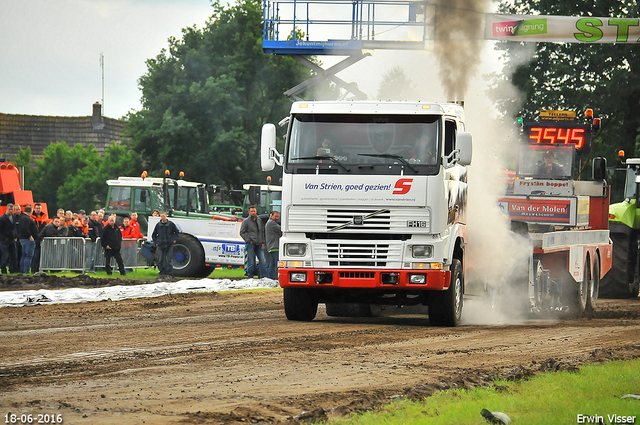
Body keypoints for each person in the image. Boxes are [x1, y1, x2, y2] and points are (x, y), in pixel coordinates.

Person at [239, 205, 266, 278]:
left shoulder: (259, 220)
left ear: (256, 211)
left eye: (254, 211)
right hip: (250, 244)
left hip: (259, 243)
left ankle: (262, 276)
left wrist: (262, 242)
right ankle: (250, 276)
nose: (253, 213)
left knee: (263, 261)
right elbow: (242, 232)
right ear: (249, 212)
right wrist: (249, 240)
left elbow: (262, 231)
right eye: (251, 211)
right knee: (250, 262)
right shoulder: (246, 221)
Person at [151, 211, 179, 277]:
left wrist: (174, 239)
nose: (162, 218)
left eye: (163, 216)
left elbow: (176, 232)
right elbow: (154, 235)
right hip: (161, 244)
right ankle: (162, 273)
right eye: (161, 216)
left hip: (169, 244)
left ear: (166, 216)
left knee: (169, 259)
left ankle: (169, 273)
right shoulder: (158, 225)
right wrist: (156, 242)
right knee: (161, 260)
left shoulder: (171, 224)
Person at [17, 205, 38, 274]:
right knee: (28, 256)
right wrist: (30, 236)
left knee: (24, 255)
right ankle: (26, 271)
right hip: (27, 240)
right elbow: (25, 228)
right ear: (31, 211)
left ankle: (22, 270)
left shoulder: (22, 218)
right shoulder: (26, 218)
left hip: (23, 239)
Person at [30, 203, 49, 273]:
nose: (38, 210)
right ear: (34, 209)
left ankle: (43, 268)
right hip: (35, 238)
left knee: (43, 254)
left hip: (43, 238)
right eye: (37, 208)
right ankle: (34, 269)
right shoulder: (32, 217)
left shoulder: (44, 217)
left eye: (39, 208)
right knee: (35, 255)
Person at [0, 204, 18, 274]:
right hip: (5, 240)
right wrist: (3, 238)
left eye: (12, 210)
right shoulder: (2, 218)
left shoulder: (13, 217)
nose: (11, 211)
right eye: (10, 209)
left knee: (13, 255)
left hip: (12, 239)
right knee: (5, 255)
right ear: (6, 209)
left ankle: (12, 270)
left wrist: (16, 236)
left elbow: (14, 228)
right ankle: (3, 269)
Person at [264, 210, 281, 280]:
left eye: (278, 216)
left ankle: (270, 277)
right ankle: (276, 278)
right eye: (276, 216)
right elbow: (281, 229)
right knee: (276, 263)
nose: (277, 218)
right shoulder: (272, 223)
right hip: (274, 246)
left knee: (272, 263)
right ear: (271, 215)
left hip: (271, 245)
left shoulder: (269, 222)